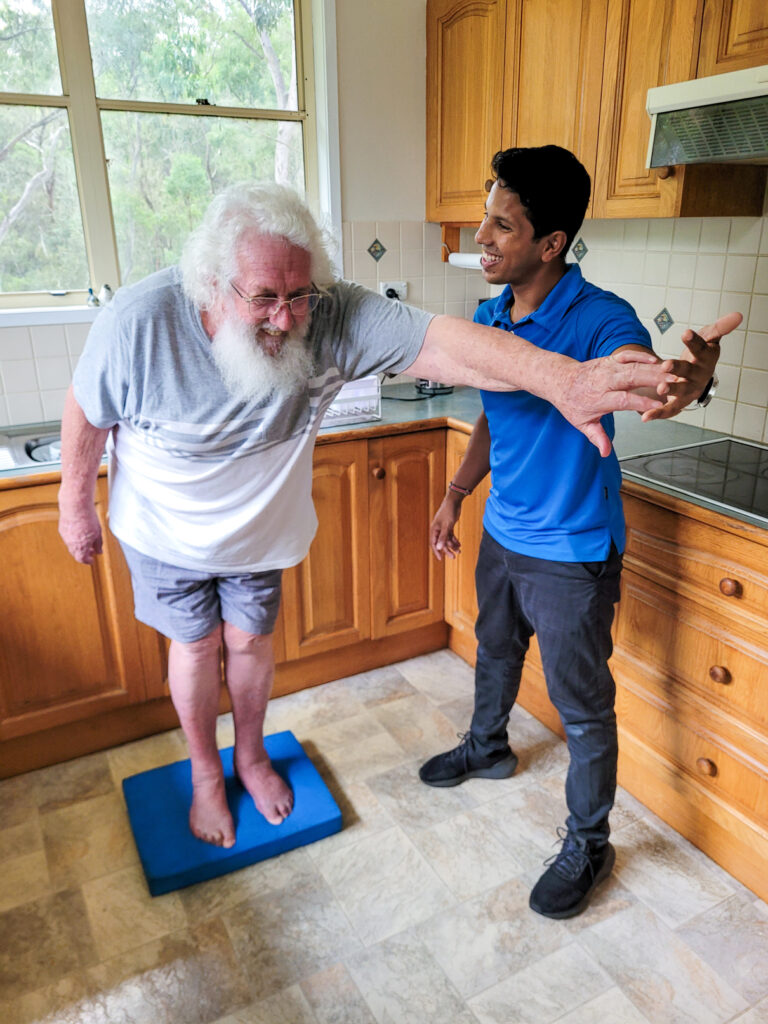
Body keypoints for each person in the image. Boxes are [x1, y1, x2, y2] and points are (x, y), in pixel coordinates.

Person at [58, 181, 714, 851]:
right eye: (264, 298)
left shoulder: (332, 311)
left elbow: (446, 345)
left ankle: (250, 758)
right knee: (195, 647)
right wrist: (73, 504)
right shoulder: (139, 320)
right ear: (211, 284)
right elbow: (86, 409)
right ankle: (204, 774)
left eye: (299, 296)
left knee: (250, 643)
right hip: (164, 527)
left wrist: (570, 381)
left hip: (256, 531)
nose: (286, 319)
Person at [419, 145, 740, 920]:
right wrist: (457, 494)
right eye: (485, 218)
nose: (484, 237)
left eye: (503, 224)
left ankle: (590, 841)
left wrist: (688, 382)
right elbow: (496, 420)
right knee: (496, 651)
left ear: (551, 243)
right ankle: (488, 745)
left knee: (582, 708)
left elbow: (646, 374)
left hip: (570, 552)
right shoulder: (493, 318)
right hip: (503, 533)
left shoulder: (601, 319)